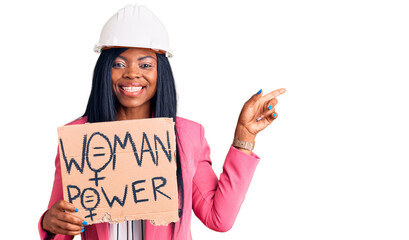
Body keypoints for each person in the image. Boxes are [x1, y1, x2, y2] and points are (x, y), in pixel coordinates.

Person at [38, 4, 286, 240]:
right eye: (119, 64)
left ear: (161, 72)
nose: (132, 73)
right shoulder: (78, 138)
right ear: (105, 70)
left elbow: (218, 218)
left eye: (146, 64)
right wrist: (50, 222)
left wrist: (244, 138)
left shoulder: (188, 136)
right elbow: (62, 225)